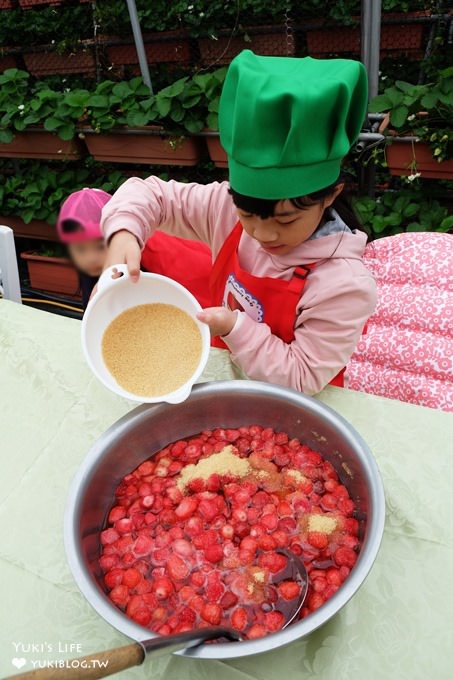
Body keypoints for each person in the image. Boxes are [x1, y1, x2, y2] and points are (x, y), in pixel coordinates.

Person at [101, 50, 377, 395]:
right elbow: (151, 194)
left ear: (331, 195)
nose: (262, 233)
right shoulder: (223, 208)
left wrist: (235, 327)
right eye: (247, 215)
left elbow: (303, 378)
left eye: (286, 219)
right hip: (225, 374)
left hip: (294, 402)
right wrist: (124, 234)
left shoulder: (343, 284)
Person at [57, 188, 212, 309]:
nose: (90, 258)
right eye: (80, 249)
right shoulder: (91, 268)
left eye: (100, 246)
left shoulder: (153, 256)